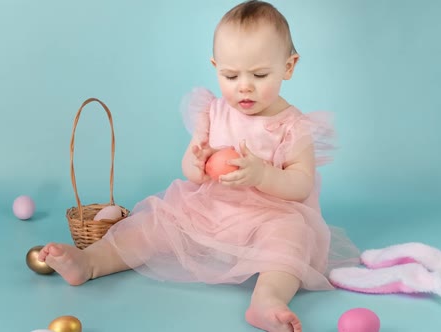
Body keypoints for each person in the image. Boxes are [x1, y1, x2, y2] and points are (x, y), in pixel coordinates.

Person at [38, 1, 359, 331]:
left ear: (288, 67)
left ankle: (267, 299)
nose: (244, 86)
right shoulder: (212, 111)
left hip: (271, 214)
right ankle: (91, 262)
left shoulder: (292, 126)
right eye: (230, 75)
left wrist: (263, 174)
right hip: (211, 206)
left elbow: (301, 184)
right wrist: (195, 163)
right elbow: (192, 171)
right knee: (154, 225)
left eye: (260, 74)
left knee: (290, 240)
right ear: (215, 66)